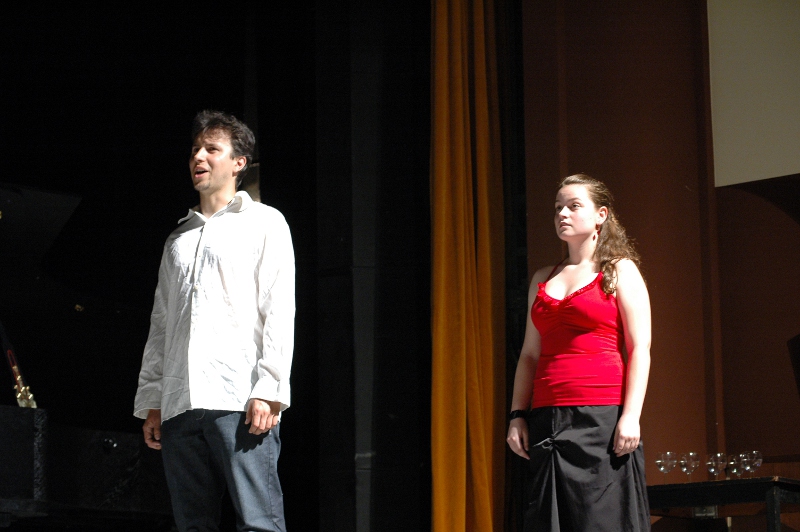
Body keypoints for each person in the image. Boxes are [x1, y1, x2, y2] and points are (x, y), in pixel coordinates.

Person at [133, 110, 295, 532]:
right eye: (194, 150)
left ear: (239, 162)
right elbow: (161, 324)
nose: (198, 157)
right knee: (192, 526)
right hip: (180, 402)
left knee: (259, 523)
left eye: (211, 149)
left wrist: (270, 389)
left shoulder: (265, 222)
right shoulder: (178, 238)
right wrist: (153, 399)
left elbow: (278, 309)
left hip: (238, 397)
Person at [506, 174, 651, 531]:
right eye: (558, 208)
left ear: (601, 214)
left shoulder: (619, 270)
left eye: (573, 206)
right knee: (549, 520)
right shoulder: (543, 277)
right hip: (547, 419)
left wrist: (631, 416)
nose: (562, 214)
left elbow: (639, 347)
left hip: (599, 416)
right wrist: (517, 414)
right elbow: (529, 355)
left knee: (602, 521)